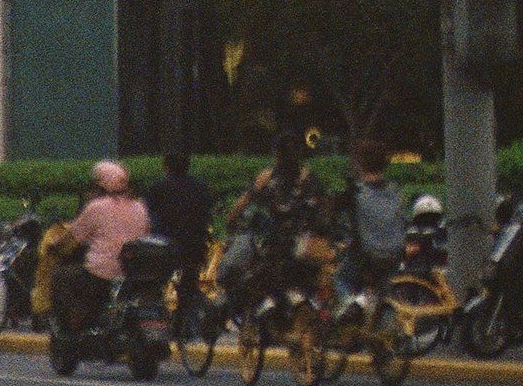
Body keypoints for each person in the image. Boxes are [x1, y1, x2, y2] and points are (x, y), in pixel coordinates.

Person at [224, 131, 333, 304]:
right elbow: (325, 209)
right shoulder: (309, 178)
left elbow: (241, 205)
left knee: (255, 285)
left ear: (276, 153)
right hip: (306, 246)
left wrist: (230, 225)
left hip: (276, 247)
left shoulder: (266, 178)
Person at [56, 159, 152, 326]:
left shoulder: (96, 206)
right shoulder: (140, 207)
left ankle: (74, 322)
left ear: (101, 185)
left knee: (61, 277)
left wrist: (54, 246)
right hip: (132, 273)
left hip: (101, 271)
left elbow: (72, 236)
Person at [334, 139, 406, 322]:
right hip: (394, 254)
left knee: (340, 278)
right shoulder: (394, 191)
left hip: (366, 256)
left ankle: (353, 306)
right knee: (384, 292)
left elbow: (336, 219)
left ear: (359, 163)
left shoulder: (356, 191)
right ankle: (388, 333)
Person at [144, 152, 214, 326]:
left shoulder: (158, 188)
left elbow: (146, 215)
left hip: (165, 246)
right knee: (189, 282)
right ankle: (185, 317)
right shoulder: (201, 187)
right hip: (194, 246)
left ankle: (157, 315)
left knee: (155, 281)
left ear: (166, 167)